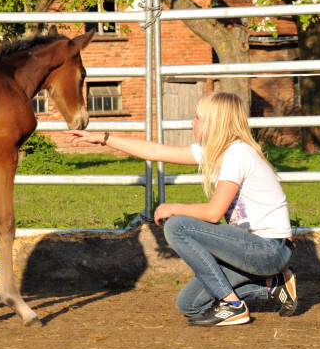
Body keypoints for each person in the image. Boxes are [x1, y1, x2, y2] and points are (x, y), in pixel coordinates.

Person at [65, 91, 298, 327]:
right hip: (250, 250)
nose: (191, 122)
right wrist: (102, 138)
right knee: (189, 304)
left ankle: (233, 306)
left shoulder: (237, 153)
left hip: (270, 250)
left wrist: (173, 208)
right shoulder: (218, 152)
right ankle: (273, 285)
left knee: (177, 225)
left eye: (197, 117)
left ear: (214, 122)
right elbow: (155, 152)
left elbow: (213, 213)